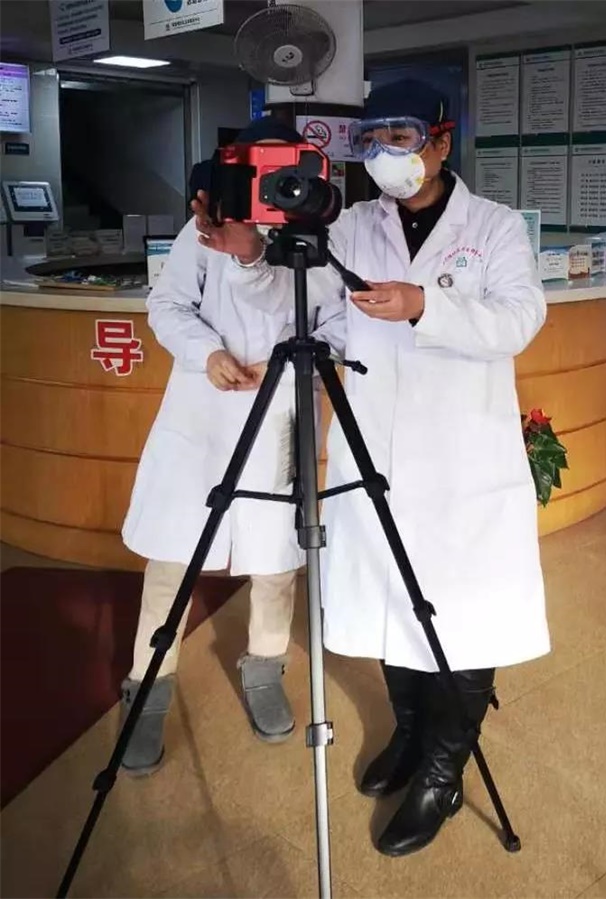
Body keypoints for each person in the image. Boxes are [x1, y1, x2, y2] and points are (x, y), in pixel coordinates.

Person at [193, 80, 551, 857]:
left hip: (463, 456)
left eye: (403, 135)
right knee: (393, 594)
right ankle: (411, 732)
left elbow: (520, 320)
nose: (388, 151)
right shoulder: (353, 224)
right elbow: (312, 306)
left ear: (441, 141)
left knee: (464, 610)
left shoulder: (493, 227)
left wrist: (426, 304)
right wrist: (251, 256)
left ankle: (443, 771)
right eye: (376, 137)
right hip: (375, 450)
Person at [120, 117, 342, 776]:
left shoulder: (318, 232)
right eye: (260, 168)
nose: (274, 182)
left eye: (284, 168)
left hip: (279, 409)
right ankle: (148, 685)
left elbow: (332, 320)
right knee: (172, 555)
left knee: (276, 559)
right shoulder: (206, 227)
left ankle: (264, 665)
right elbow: (166, 306)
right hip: (203, 410)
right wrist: (206, 352)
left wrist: (293, 358)